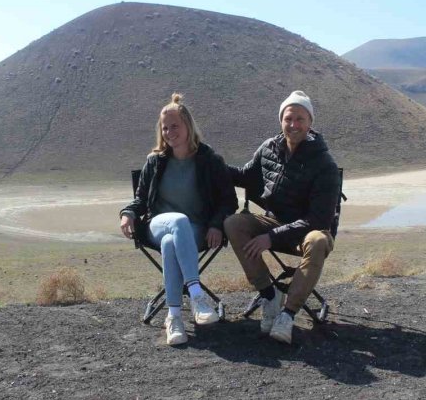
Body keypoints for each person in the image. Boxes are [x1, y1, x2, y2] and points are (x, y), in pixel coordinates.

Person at [120, 93, 237, 346]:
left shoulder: (209, 161)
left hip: (196, 230)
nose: (169, 132)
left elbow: (229, 200)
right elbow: (141, 199)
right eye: (165, 128)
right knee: (177, 223)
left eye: (175, 126)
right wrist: (128, 213)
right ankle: (197, 296)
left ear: (188, 126)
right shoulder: (155, 162)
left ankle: (173, 316)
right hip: (157, 225)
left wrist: (216, 224)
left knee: (171, 243)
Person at [224, 90, 340, 344]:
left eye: (300, 118)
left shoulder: (325, 164)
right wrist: (210, 161)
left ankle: (288, 314)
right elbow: (245, 176)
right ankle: (269, 295)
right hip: (274, 221)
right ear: (281, 121)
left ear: (310, 123)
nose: (293, 124)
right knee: (233, 223)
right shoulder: (269, 148)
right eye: (288, 118)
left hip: (308, 230)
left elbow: (320, 220)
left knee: (318, 241)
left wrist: (271, 236)